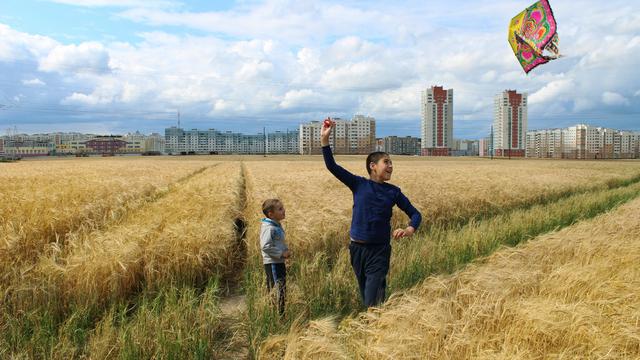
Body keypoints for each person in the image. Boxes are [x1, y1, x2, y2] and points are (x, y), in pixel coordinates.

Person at [321, 119, 421, 307]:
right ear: (373, 166)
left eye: (391, 162)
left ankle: (372, 326)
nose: (391, 166)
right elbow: (332, 166)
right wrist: (325, 141)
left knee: (370, 300)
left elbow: (415, 214)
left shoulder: (394, 192)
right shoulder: (358, 184)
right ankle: (380, 324)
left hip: (380, 250)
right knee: (370, 294)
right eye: (386, 162)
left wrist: (409, 229)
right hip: (357, 249)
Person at [260, 198, 290, 315]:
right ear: (271, 214)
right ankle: (276, 316)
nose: (284, 210)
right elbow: (265, 246)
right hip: (272, 263)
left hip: (278, 262)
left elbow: (278, 242)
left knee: (281, 289)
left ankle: (280, 314)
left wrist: (285, 250)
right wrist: (281, 253)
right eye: (280, 209)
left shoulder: (276, 225)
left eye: (283, 208)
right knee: (276, 290)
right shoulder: (269, 228)